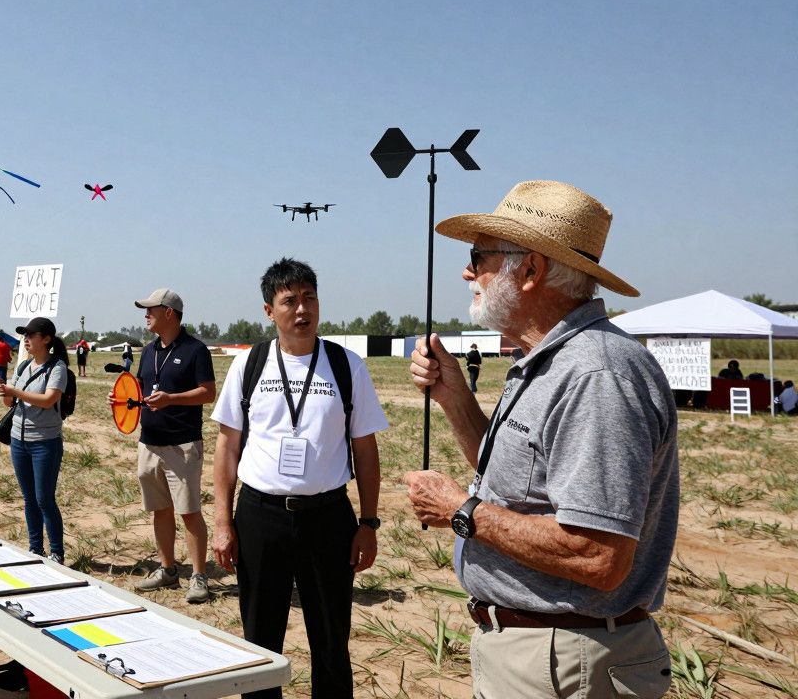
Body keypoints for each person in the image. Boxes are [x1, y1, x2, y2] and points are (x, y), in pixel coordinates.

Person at [405, 180, 679, 698]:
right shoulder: (547, 364)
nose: (468, 272)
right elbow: (518, 484)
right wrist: (456, 401)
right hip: (546, 655)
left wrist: (460, 511)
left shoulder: (596, 374)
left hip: (567, 663)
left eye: (478, 256)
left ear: (530, 270)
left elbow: (597, 555)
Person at [210, 259, 387, 699]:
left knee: (330, 641)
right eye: (290, 300)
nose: (302, 309)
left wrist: (368, 523)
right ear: (269, 311)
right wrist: (221, 521)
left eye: (310, 298)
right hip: (260, 517)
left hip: (328, 518)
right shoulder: (249, 365)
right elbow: (227, 446)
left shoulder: (347, 367)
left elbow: (365, 450)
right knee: (259, 641)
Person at [118, 289, 216, 603]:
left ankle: (199, 578)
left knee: (189, 512)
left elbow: (207, 392)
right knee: (160, 510)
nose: (145, 314)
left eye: (150, 309)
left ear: (169, 312)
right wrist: (122, 401)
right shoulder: (148, 352)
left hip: (182, 445)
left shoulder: (195, 350)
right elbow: (141, 392)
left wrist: (172, 399)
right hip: (149, 444)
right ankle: (168, 569)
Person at [0, 317, 69, 563]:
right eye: (24, 335)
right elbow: (11, 402)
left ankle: (57, 552)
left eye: (31, 335)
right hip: (19, 440)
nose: (26, 339)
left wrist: (14, 391)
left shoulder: (57, 368)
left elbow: (49, 400)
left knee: (44, 499)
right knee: (29, 499)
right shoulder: (23, 367)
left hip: (45, 442)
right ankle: (35, 547)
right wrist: (6, 392)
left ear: (46, 339)